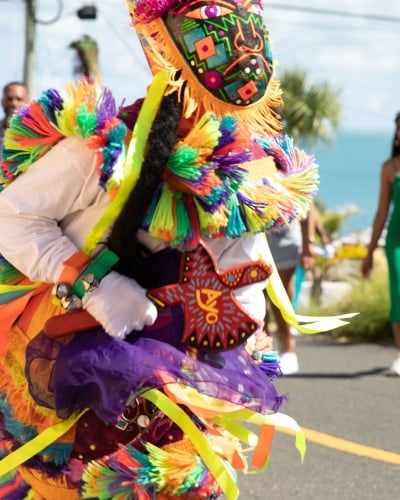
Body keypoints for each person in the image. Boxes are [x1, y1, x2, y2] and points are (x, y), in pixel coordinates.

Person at [0, 1, 319, 497]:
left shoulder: (249, 167)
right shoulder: (108, 146)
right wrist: (95, 283)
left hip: (199, 386)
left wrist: (244, 330)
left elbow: (244, 258)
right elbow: (12, 217)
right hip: (90, 377)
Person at [362, 111, 400, 376]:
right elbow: (381, 211)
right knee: (398, 295)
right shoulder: (390, 167)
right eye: (399, 128)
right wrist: (370, 250)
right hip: (396, 240)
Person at [266, 208, 316, 375]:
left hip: (284, 235)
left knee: (281, 296)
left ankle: (287, 348)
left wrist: (308, 244)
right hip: (252, 232)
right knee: (256, 297)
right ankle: (264, 351)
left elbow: (308, 203)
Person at [0, 81, 29, 154]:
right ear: (2, 102)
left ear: (27, 102)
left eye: (19, 99)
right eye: (9, 99)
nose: (14, 103)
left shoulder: (37, 134)